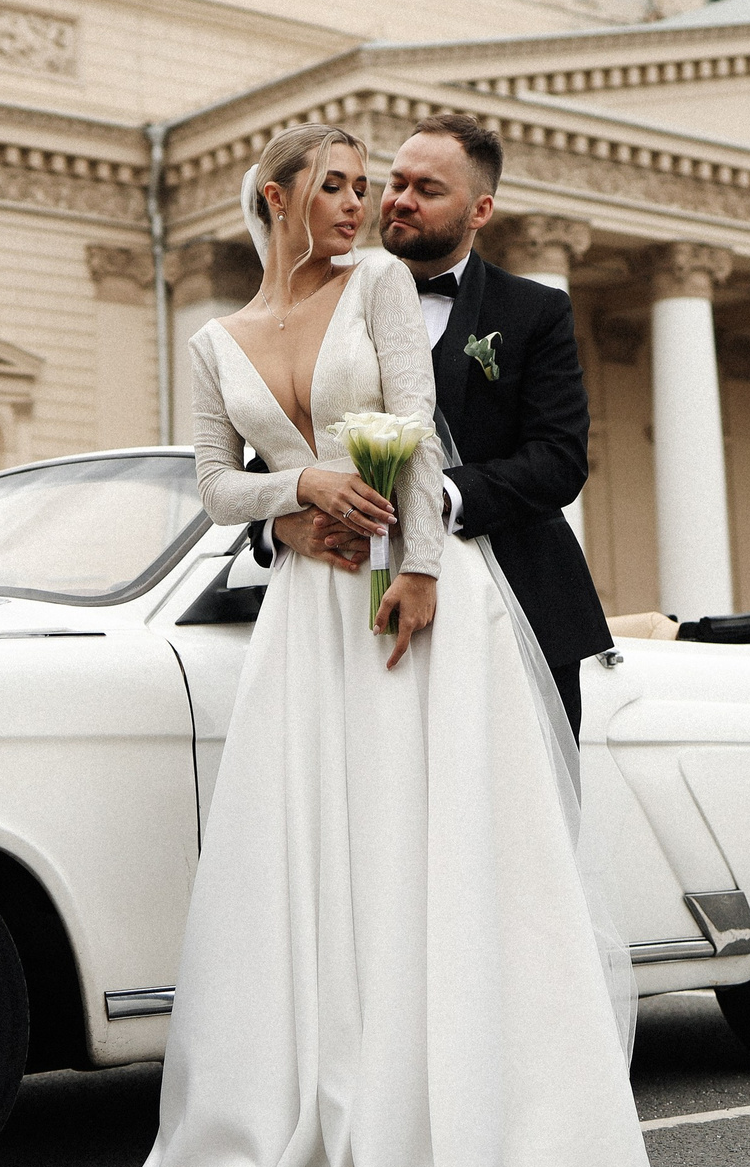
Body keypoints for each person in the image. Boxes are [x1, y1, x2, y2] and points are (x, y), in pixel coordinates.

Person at [127, 122, 651, 1167]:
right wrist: (299, 502)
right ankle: (328, 1103)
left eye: (406, 187)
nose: (382, 203)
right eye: (363, 185)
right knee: (325, 853)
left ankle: (507, 1113)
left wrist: (421, 552)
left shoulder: (516, 310)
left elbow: (508, 453)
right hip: (314, 615)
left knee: (484, 853)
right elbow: (221, 482)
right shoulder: (223, 336)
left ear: (477, 208)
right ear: (275, 199)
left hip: (478, 597)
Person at [259, 112, 609, 738]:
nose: (399, 201)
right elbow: (269, 448)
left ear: (479, 211)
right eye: (396, 182)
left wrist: (430, 498)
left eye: (428, 189)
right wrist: (281, 525)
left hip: (515, 605)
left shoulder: (535, 311)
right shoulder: (316, 304)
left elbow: (559, 460)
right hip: (350, 617)